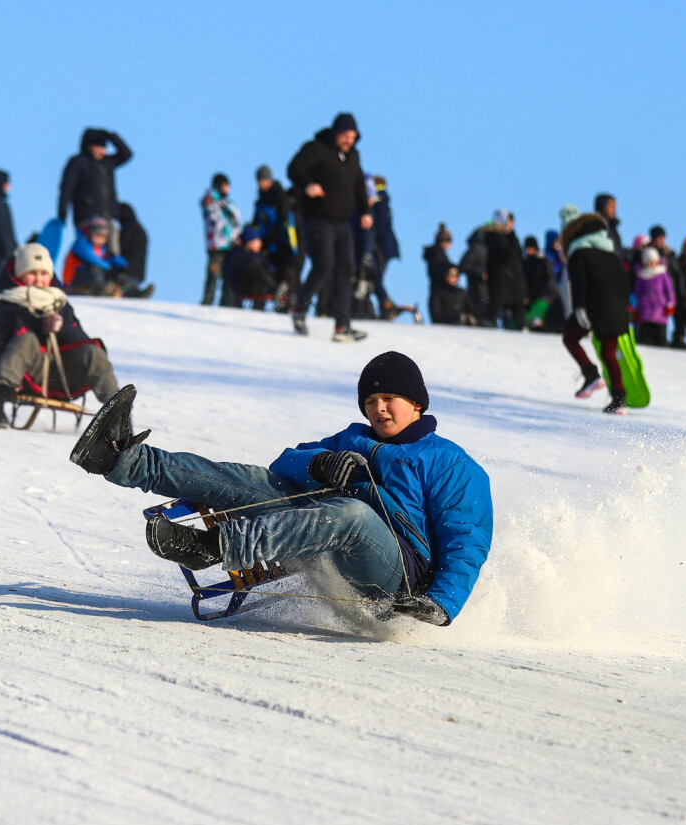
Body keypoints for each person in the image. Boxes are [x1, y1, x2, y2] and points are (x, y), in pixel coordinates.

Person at [68, 351, 493, 627]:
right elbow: (284, 463)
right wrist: (319, 464)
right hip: (321, 532)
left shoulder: (450, 462)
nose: (378, 408)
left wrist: (440, 605)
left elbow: (467, 541)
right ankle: (121, 459)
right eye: (371, 400)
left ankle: (214, 546)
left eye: (390, 399)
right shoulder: (352, 438)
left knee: (354, 516)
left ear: (417, 403)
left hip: (394, 578)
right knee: (254, 481)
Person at [0, 243, 121, 428]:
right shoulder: (6, 306)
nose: (38, 279)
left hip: (63, 376)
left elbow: (81, 342)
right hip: (25, 376)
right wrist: (5, 375)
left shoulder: (60, 304)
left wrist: (62, 328)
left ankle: (117, 415)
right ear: (19, 275)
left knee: (93, 351)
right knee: (26, 340)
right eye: (32, 273)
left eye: (44, 274)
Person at [286, 112, 373, 341]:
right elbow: (294, 168)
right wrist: (308, 185)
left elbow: (358, 184)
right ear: (336, 133)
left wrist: (365, 211)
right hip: (318, 217)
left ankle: (342, 326)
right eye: (345, 136)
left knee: (346, 269)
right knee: (324, 265)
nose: (349, 141)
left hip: (342, 221)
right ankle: (300, 309)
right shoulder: (317, 148)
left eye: (353, 137)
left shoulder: (353, 156)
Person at [561, 212, 631, 412]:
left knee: (570, 338)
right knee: (608, 353)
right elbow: (625, 285)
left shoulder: (579, 253)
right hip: (616, 309)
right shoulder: (612, 256)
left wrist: (580, 308)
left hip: (593, 306)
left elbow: (579, 283)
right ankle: (619, 400)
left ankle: (590, 374)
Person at [57, 128, 132, 246]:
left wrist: (111, 136)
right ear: (88, 146)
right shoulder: (78, 162)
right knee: (89, 252)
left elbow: (127, 154)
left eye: (103, 148)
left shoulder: (107, 163)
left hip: (109, 217)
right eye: (98, 147)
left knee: (112, 253)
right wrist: (62, 213)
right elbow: (66, 188)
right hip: (87, 216)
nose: (101, 151)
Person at [252, 165, 297, 309]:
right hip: (267, 243)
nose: (261, 183)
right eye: (260, 180)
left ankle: (286, 301)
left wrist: (275, 236)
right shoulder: (260, 200)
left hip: (283, 242)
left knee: (285, 272)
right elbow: (256, 221)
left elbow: (284, 218)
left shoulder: (279, 195)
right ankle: (262, 302)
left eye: (264, 180)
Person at [63, 217, 136, 297]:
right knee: (96, 269)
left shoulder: (100, 248)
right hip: (74, 279)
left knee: (119, 274)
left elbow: (108, 258)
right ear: (90, 234)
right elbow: (91, 258)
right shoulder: (81, 244)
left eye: (103, 237)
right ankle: (102, 290)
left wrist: (123, 265)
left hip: (91, 278)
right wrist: (109, 267)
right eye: (97, 236)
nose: (100, 240)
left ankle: (131, 291)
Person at [200, 173, 241, 306]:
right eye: (224, 186)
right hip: (216, 246)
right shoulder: (211, 202)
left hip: (231, 246)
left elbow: (236, 223)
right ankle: (207, 302)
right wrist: (214, 200)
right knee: (213, 276)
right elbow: (212, 218)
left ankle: (227, 306)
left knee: (229, 280)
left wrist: (237, 237)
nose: (226, 189)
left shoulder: (230, 204)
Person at [485, 210, 530, 330]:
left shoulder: (512, 238)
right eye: (509, 221)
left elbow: (518, 258)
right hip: (499, 280)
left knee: (518, 309)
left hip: (514, 280)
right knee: (495, 308)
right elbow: (504, 253)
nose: (511, 224)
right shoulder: (493, 236)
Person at [368, 175, 400, 318]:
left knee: (377, 277)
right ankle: (385, 304)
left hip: (382, 246)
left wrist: (373, 237)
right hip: (386, 246)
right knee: (377, 277)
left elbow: (380, 224)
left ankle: (386, 305)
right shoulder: (384, 198)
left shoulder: (379, 199)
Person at [223, 226, 278, 307]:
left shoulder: (245, 254)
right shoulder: (246, 256)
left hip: (248, 287)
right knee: (256, 266)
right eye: (257, 241)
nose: (260, 243)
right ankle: (275, 289)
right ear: (250, 242)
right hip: (246, 288)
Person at [632, 246, 675, 347]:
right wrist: (635, 306)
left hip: (660, 310)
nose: (651, 264)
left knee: (660, 336)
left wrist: (670, 303)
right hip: (645, 309)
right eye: (649, 262)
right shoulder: (641, 275)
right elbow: (637, 292)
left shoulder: (662, 274)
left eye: (653, 261)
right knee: (644, 334)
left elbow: (669, 290)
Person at [522, 236, 561, 332]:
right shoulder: (524, 263)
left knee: (539, 323)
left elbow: (549, 279)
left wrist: (545, 295)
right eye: (528, 248)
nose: (530, 251)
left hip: (541, 298)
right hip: (528, 298)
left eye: (532, 248)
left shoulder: (543, 262)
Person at [593, 193, 625, 258]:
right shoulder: (595, 226)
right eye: (611, 206)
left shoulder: (613, 229)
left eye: (615, 207)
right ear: (602, 206)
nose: (614, 210)